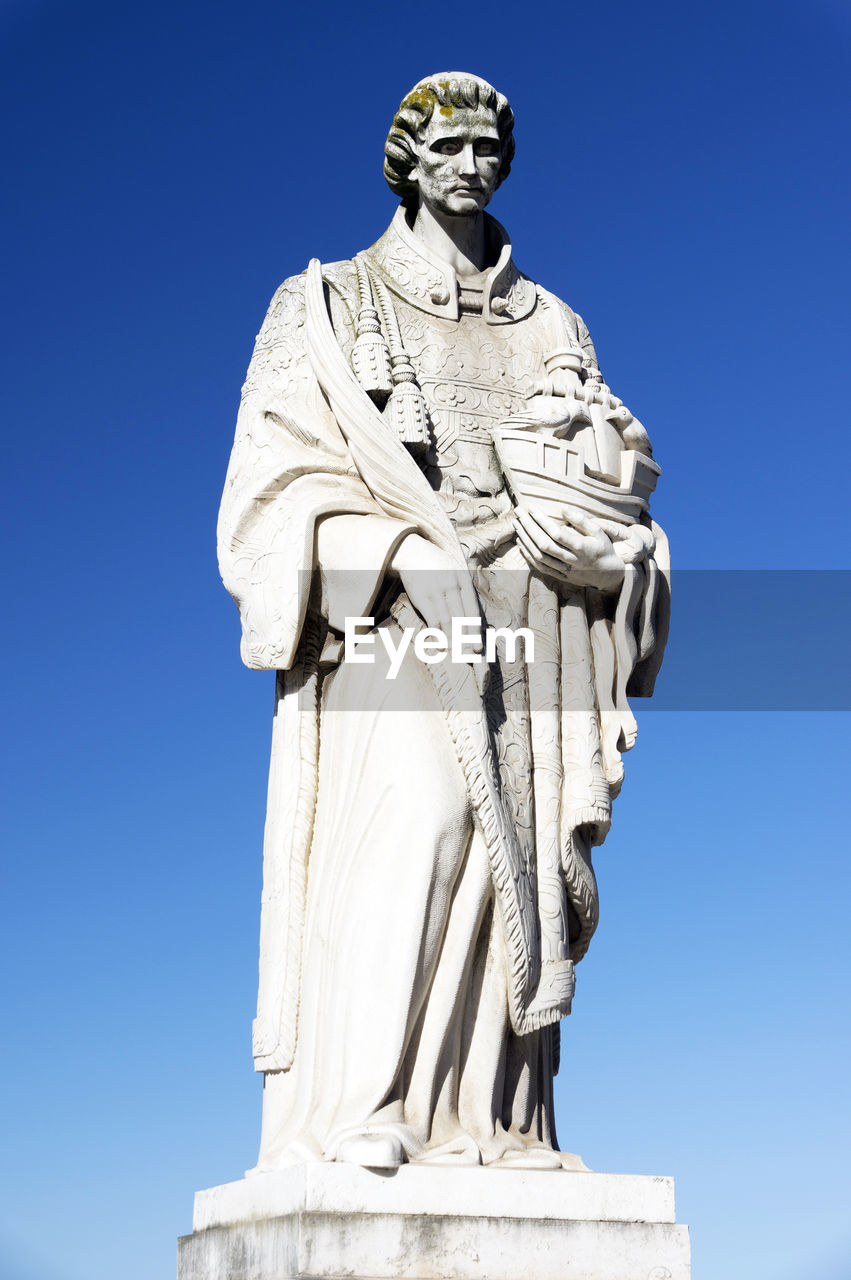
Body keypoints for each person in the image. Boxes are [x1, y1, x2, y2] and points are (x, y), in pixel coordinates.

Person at [217, 72, 668, 1172]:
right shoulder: (325, 303)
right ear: (407, 161)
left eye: (488, 149)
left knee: (515, 850)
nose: (471, 167)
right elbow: (267, 492)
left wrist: (612, 533)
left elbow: (611, 468)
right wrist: (394, 547)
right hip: (395, 612)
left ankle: (496, 1119)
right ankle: (366, 1103)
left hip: (531, 608)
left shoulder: (553, 321)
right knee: (425, 820)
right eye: (450, 148)